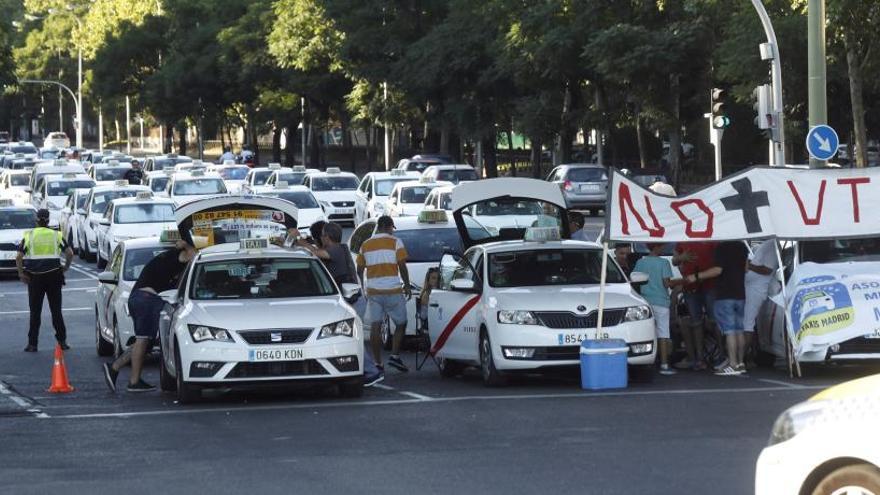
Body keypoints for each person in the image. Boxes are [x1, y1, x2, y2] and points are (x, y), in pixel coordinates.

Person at [102, 239, 196, 392]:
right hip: (145, 299)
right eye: (191, 251)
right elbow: (190, 254)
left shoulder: (168, 261)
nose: (193, 256)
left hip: (142, 298)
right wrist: (187, 245)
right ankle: (134, 381)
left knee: (146, 343)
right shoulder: (176, 257)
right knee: (143, 340)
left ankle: (114, 368)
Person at [356, 216, 412, 374]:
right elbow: (402, 266)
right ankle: (394, 355)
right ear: (387, 227)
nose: (392, 231)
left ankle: (377, 362)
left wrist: (363, 288)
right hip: (393, 290)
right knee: (401, 323)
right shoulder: (395, 242)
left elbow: (359, 270)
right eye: (391, 228)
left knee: (375, 325)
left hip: (373, 291)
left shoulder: (365, 245)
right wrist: (407, 285)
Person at [685, 240, 749, 376]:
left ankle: (732, 364)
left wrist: (695, 276)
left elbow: (717, 270)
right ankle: (740, 363)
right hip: (740, 293)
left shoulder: (721, 247)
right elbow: (746, 268)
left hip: (725, 294)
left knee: (729, 331)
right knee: (739, 330)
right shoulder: (742, 246)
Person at [16, 209, 74, 352]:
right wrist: (65, 267)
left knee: (35, 312)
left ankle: (32, 344)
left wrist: (21, 273)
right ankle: (62, 342)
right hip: (54, 276)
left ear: (37, 220)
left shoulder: (29, 235)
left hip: (35, 278)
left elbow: (18, 257)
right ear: (48, 220)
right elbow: (70, 253)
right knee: (56, 311)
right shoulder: (56, 235)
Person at [633, 243, 684, 375]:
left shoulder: (640, 262)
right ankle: (664, 364)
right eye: (661, 246)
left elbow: (634, 279)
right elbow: (667, 283)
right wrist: (681, 281)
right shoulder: (663, 263)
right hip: (661, 301)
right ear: (656, 247)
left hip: (645, 301)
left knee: (647, 332)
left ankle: (647, 361)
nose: (663, 249)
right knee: (663, 334)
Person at [672, 241, 717, 371]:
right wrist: (681, 258)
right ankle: (699, 358)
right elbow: (675, 260)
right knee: (695, 323)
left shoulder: (712, 236)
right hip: (690, 287)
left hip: (710, 285)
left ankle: (721, 355)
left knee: (714, 321)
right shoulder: (683, 238)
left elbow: (719, 260)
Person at [743, 239, 779, 366]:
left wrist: (748, 264)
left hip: (756, 290)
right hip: (751, 288)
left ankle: (739, 359)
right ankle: (742, 358)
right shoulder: (767, 244)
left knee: (747, 324)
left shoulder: (771, 245)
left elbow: (768, 270)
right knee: (747, 324)